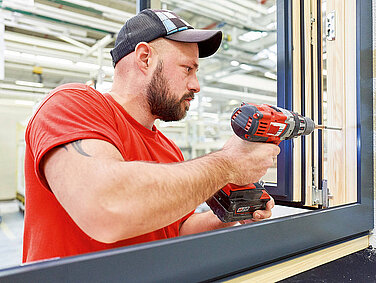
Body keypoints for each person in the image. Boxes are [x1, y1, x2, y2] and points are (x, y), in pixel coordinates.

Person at [23, 9, 280, 263]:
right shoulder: (70, 104)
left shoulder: (169, 149)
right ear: (145, 58)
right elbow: (106, 206)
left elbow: (175, 230)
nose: (196, 85)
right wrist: (228, 164)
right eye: (187, 69)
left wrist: (229, 215)